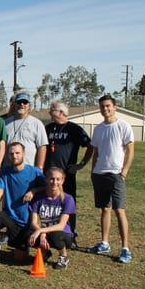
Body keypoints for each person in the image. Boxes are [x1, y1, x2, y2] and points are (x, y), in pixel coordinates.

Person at [0, 142, 46, 267]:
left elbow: (48, 188)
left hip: (27, 221)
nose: (14, 156)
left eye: (17, 153)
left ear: (24, 153)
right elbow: (0, 189)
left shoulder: (34, 172)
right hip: (9, 217)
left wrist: (34, 190)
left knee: (19, 259)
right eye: (11, 153)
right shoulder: (5, 172)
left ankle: (44, 251)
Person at [89, 94, 135, 264]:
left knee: (119, 210)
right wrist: (93, 171)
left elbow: (130, 150)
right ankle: (105, 243)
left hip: (116, 175)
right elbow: (96, 152)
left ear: (114, 107)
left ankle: (125, 249)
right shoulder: (99, 128)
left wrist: (124, 172)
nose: (105, 109)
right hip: (99, 174)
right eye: (102, 106)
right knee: (105, 209)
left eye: (108, 106)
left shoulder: (123, 126)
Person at [45, 100, 92, 241]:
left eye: (52, 109)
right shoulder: (48, 128)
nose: (49, 111)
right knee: (49, 202)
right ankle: (50, 229)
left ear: (61, 112)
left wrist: (81, 164)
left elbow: (90, 146)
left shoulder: (74, 129)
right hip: (49, 174)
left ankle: (70, 231)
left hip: (67, 174)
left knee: (68, 203)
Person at [28, 167, 76, 270]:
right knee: (28, 235)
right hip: (44, 231)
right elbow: (33, 222)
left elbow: (61, 226)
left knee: (56, 235)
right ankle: (45, 252)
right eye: (51, 179)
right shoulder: (39, 198)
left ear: (63, 180)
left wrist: (41, 231)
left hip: (62, 235)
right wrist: (42, 233)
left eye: (58, 179)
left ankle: (63, 257)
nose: (54, 182)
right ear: (46, 179)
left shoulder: (68, 199)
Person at [4, 92, 48, 169]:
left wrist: (39, 168)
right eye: (19, 102)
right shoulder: (5, 123)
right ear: (14, 105)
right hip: (8, 170)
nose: (22, 105)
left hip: (29, 169)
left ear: (29, 106)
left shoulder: (37, 123)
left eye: (25, 102)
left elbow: (42, 147)